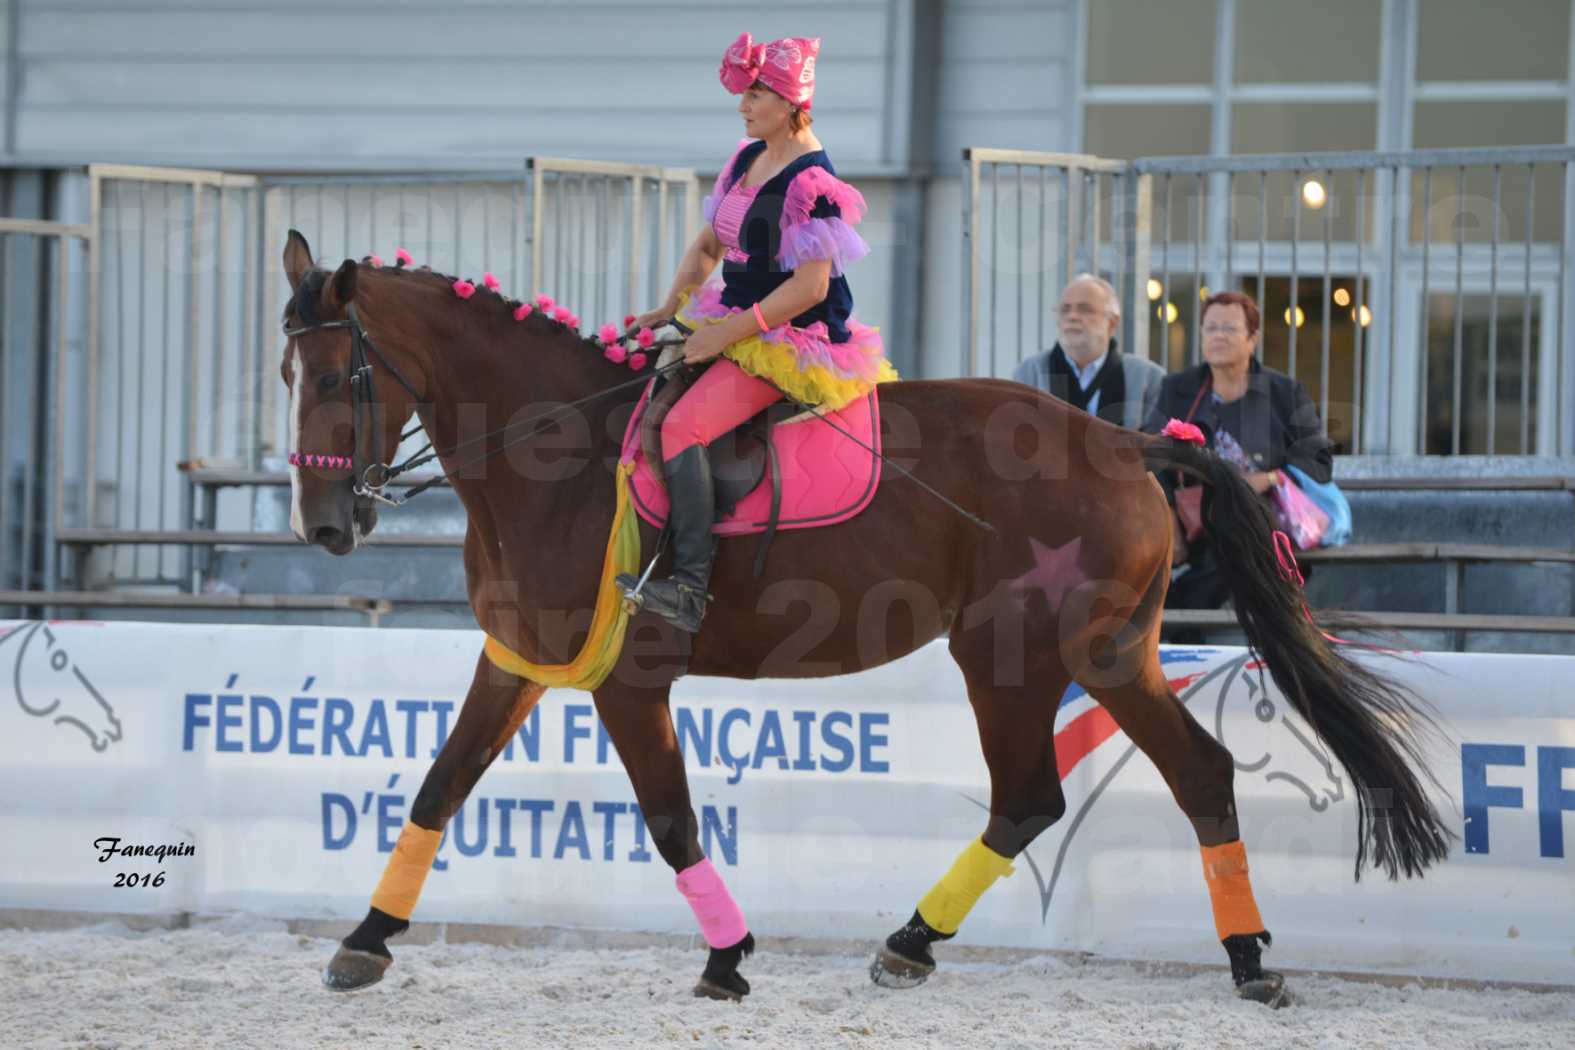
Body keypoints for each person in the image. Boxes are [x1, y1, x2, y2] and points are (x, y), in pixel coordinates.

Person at [619, 32, 898, 634]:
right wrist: (669, 305)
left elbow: (810, 287)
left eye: (757, 94)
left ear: (793, 103)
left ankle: (690, 587)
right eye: (744, 94)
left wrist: (720, 337)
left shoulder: (813, 182)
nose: (743, 105)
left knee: (683, 425)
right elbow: (708, 245)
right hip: (734, 315)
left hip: (789, 334)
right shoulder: (747, 158)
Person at [1143, 290, 1334, 610]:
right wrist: (1169, 516)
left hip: (1261, 519)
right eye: (1210, 328)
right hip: (1194, 524)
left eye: (1229, 328)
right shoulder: (1178, 389)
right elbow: (1153, 453)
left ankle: (1176, 615)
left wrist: (1271, 477)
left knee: (1239, 525)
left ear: (1252, 338)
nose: (1218, 336)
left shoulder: (1284, 392)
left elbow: (1319, 461)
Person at [1013, 274, 1164, 430]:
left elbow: (1155, 446)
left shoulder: (1147, 378)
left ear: (1112, 323)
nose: (1072, 316)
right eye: (1065, 309)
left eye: (1084, 309)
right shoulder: (1029, 373)